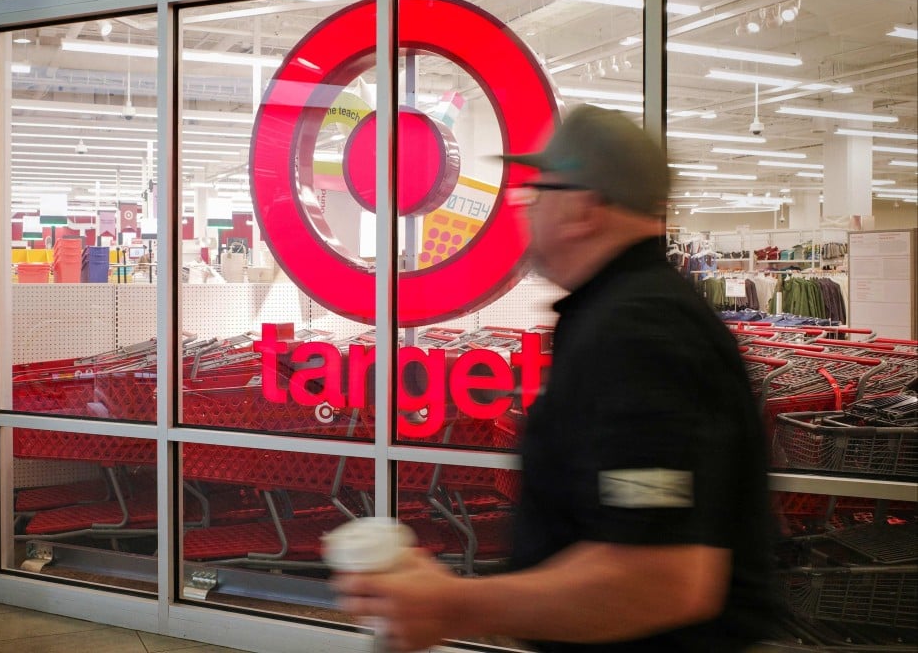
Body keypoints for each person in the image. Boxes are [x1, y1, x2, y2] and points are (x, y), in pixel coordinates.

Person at [332, 105, 780, 652]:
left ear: (582, 208)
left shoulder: (640, 336)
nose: (528, 211)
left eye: (537, 194)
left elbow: (660, 578)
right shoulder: (619, 316)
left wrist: (450, 605)